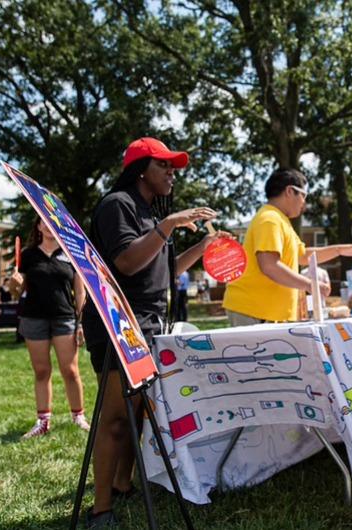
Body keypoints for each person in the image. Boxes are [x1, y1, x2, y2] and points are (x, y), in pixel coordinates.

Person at [80, 137, 228, 527]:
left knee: (138, 414)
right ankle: (100, 509)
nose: (172, 173)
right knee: (115, 417)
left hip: (146, 324)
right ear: (140, 169)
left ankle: (123, 485)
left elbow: (164, 271)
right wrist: (167, 225)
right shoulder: (118, 205)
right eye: (164, 165)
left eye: (174, 167)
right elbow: (127, 263)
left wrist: (203, 245)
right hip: (116, 325)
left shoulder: (149, 214)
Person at [222, 168, 352, 325]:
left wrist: (339, 250)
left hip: (263, 312)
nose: (304, 202)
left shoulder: (279, 219)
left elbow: (303, 256)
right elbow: (269, 265)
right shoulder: (270, 219)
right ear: (290, 191)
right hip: (253, 312)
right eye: (304, 195)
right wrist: (310, 285)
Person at [9, 216, 90, 438]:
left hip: (64, 318)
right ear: (37, 226)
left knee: (70, 370)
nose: (48, 225)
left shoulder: (71, 254)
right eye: (43, 221)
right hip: (33, 319)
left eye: (52, 222)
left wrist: (81, 321)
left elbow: (80, 292)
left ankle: (78, 417)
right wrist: (12, 284)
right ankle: (43, 421)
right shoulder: (28, 255)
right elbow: (18, 291)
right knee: (42, 371)